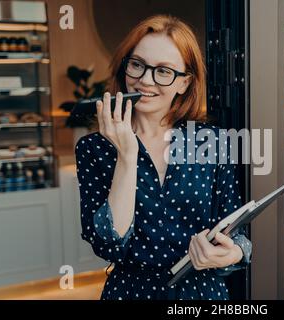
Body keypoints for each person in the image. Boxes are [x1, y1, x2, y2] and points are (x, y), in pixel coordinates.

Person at [75, 14, 252, 300]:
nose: (145, 80)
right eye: (137, 65)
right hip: (130, 292)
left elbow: (236, 233)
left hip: (202, 293)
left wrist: (232, 254)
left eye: (164, 71)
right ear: (125, 67)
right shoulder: (93, 148)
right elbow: (109, 244)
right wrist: (127, 154)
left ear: (185, 83)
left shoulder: (212, 141)